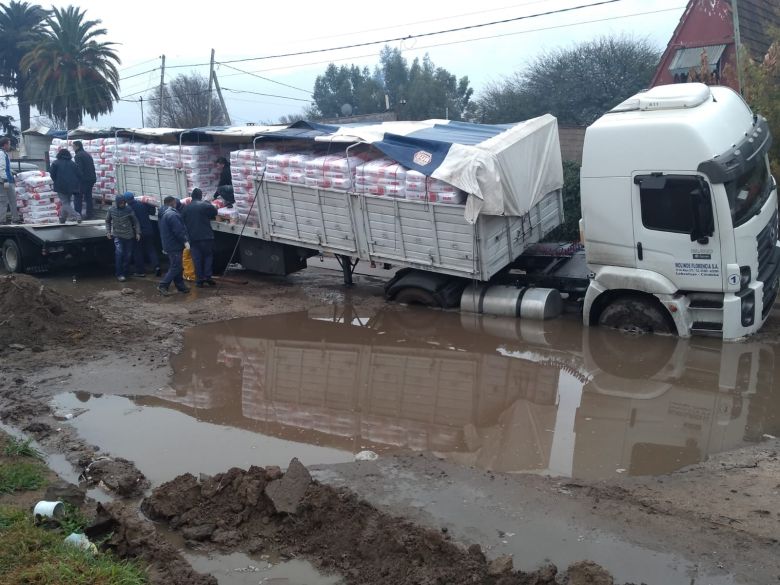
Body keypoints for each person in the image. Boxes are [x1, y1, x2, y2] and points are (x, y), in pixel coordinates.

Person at [181, 188, 218, 287]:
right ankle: (208, 277)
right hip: (206, 236)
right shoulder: (204, 205)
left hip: (193, 238)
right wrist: (208, 202)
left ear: (192, 197)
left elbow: (182, 222)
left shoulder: (186, 208)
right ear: (200, 196)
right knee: (208, 256)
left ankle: (199, 280)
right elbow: (214, 212)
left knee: (197, 259)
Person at [158, 195, 190, 296]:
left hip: (169, 244)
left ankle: (180, 286)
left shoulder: (164, 213)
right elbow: (179, 231)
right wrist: (185, 241)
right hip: (174, 245)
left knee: (177, 266)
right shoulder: (172, 215)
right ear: (172, 202)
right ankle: (163, 285)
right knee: (176, 266)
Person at [105, 192, 140, 282]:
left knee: (128, 256)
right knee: (119, 254)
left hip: (129, 236)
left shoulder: (129, 209)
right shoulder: (111, 209)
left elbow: (135, 221)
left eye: (123, 203)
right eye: (121, 203)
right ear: (117, 202)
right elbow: (108, 221)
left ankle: (126, 272)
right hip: (118, 236)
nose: (122, 204)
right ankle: (119, 274)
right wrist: (108, 232)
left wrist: (137, 233)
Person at [125, 192, 161, 277]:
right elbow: (152, 212)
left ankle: (140, 271)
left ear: (127, 200)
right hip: (149, 230)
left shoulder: (128, 208)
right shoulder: (142, 204)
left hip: (138, 232)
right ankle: (157, 267)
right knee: (150, 249)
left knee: (137, 251)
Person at [49, 148, 82, 224]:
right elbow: (79, 174)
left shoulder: (55, 163)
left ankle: (76, 215)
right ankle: (62, 218)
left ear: (59, 154)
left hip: (61, 186)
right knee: (66, 202)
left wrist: (56, 181)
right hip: (72, 186)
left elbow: (52, 174)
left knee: (65, 203)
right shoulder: (73, 163)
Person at [72, 140, 96, 220]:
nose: (72, 148)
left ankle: (77, 215)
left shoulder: (78, 155)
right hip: (91, 178)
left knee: (78, 197)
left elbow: (79, 169)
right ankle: (90, 214)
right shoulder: (87, 154)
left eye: (73, 146)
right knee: (88, 197)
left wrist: (76, 179)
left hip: (84, 180)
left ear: (77, 146)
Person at [0, 137, 19, 224]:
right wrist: (5, 179)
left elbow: (7, 167)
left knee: (12, 199)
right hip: (5, 181)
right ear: (5, 145)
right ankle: (2, 220)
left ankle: (15, 218)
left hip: (8, 180)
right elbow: (1, 168)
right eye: (9, 143)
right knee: (4, 200)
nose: (9, 145)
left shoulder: (5, 154)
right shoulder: (1, 154)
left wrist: (13, 172)